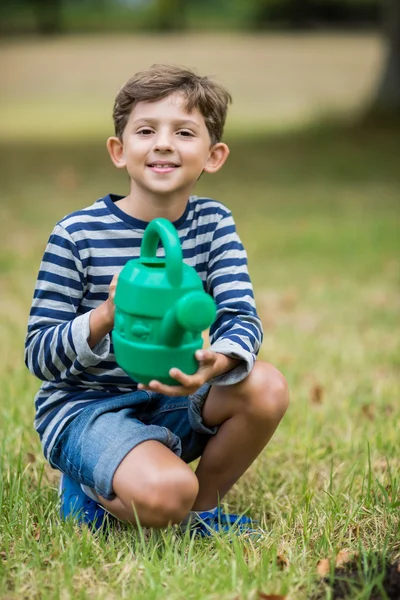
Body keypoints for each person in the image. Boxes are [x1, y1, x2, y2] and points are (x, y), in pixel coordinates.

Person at [25, 64, 289, 536]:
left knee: (265, 387)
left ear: (214, 155)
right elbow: (38, 355)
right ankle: (90, 481)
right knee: (167, 493)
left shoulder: (213, 225)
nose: (164, 143)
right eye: (146, 130)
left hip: (175, 392)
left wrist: (218, 363)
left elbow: (239, 316)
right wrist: (104, 316)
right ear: (119, 150)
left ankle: (202, 509)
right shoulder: (77, 235)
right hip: (88, 406)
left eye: (185, 132)